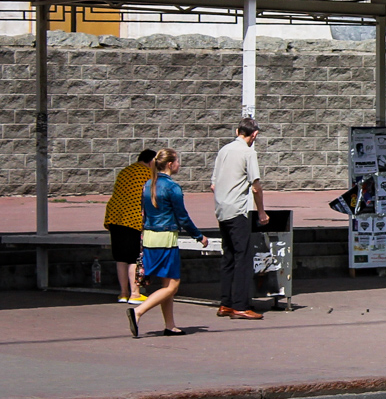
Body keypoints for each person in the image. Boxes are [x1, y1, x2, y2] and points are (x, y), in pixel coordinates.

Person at [128, 149, 207, 338]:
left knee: (166, 284)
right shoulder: (172, 187)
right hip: (166, 239)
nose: (179, 164)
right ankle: (138, 312)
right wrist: (198, 236)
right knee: (173, 285)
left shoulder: (148, 184)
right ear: (170, 164)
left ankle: (170, 325)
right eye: (178, 161)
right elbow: (183, 217)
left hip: (149, 238)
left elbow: (144, 213)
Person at [212, 117, 268, 320]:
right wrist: (261, 212)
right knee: (242, 258)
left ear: (237, 131)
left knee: (228, 256)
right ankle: (240, 305)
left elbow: (213, 184)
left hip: (222, 209)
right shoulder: (248, 153)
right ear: (254, 134)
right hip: (238, 210)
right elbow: (255, 186)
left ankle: (225, 303)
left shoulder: (224, 150)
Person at [103, 148, 156, 304]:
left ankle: (123, 293)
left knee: (120, 257)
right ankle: (135, 293)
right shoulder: (147, 174)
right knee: (134, 257)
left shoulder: (125, 171)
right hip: (132, 218)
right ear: (151, 161)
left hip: (114, 217)